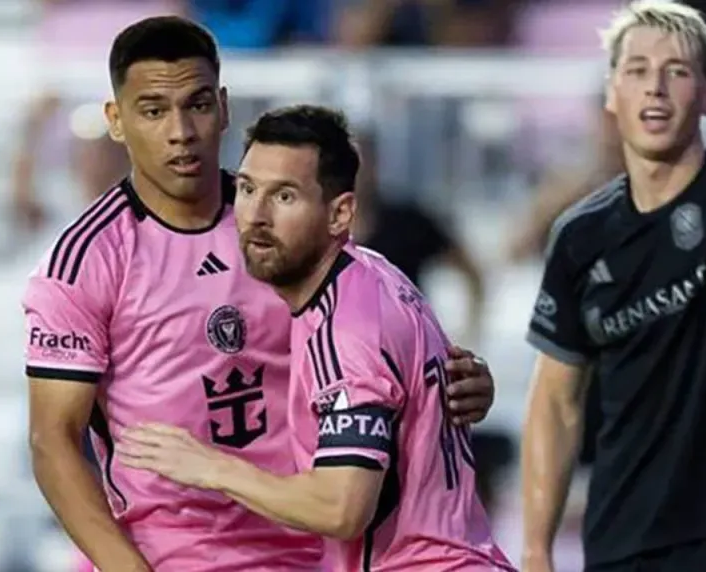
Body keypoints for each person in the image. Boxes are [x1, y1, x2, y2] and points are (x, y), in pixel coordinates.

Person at [22, 16, 499, 571]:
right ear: (117, 120)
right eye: (154, 110)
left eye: (197, 104)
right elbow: (53, 442)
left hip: (311, 543)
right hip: (175, 555)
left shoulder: (288, 227)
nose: (181, 131)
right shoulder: (85, 261)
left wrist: (454, 386)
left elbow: (372, 338)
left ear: (224, 107)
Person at [117, 104, 515, 571]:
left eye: (284, 197)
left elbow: (341, 508)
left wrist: (208, 467)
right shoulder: (376, 274)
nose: (257, 215)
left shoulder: (344, 330)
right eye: (247, 189)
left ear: (340, 212)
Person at [521, 2, 706, 571]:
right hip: (621, 542)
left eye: (678, 71)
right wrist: (536, 550)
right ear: (611, 94)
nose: (656, 89)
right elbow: (555, 402)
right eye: (638, 70)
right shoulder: (579, 236)